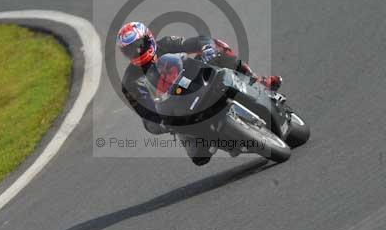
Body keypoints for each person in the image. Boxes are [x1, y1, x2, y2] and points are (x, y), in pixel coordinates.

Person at [117, 21, 282, 166]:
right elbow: (144, 110)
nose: (137, 51)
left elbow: (198, 40)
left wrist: (206, 47)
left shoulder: (165, 44)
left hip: (196, 81)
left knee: (218, 47)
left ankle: (257, 80)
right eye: (130, 50)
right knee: (199, 157)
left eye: (139, 45)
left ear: (148, 38)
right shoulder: (130, 81)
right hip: (176, 110)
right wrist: (160, 121)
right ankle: (220, 137)